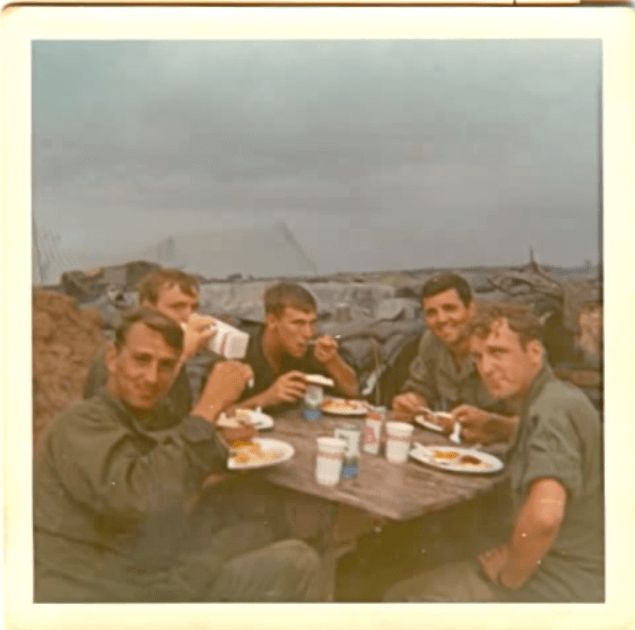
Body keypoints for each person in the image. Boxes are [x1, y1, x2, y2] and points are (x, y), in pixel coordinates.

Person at [34, 307, 322, 603]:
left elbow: (166, 457)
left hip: (144, 570)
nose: (151, 377)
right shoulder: (81, 423)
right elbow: (139, 496)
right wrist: (209, 407)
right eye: (141, 360)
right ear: (112, 359)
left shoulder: (142, 416)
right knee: (298, 562)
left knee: (260, 528)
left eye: (166, 366)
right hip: (108, 595)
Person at [384, 302, 604, 602]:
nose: (486, 368)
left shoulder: (551, 411)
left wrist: (511, 574)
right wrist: (498, 428)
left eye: (498, 352)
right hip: (577, 563)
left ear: (535, 353)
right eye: (478, 356)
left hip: (563, 583)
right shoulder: (558, 399)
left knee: (400, 595)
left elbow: (544, 516)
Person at [392, 272, 516, 444]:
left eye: (450, 308)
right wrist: (411, 403)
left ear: (471, 309)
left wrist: (497, 427)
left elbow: (541, 421)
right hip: (451, 449)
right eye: (431, 313)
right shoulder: (431, 342)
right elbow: (421, 388)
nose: (441, 319)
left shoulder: (500, 344)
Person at [83, 268, 218, 417]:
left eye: (193, 308)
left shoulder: (169, 351)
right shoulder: (123, 352)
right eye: (177, 307)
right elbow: (132, 419)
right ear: (148, 308)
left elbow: (174, 415)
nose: (189, 316)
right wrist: (184, 353)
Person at [237, 282, 359, 412]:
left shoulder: (308, 347)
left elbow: (353, 392)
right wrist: (265, 399)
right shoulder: (239, 349)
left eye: (312, 323)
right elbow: (215, 414)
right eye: (298, 323)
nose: (308, 333)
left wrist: (333, 362)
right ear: (272, 321)